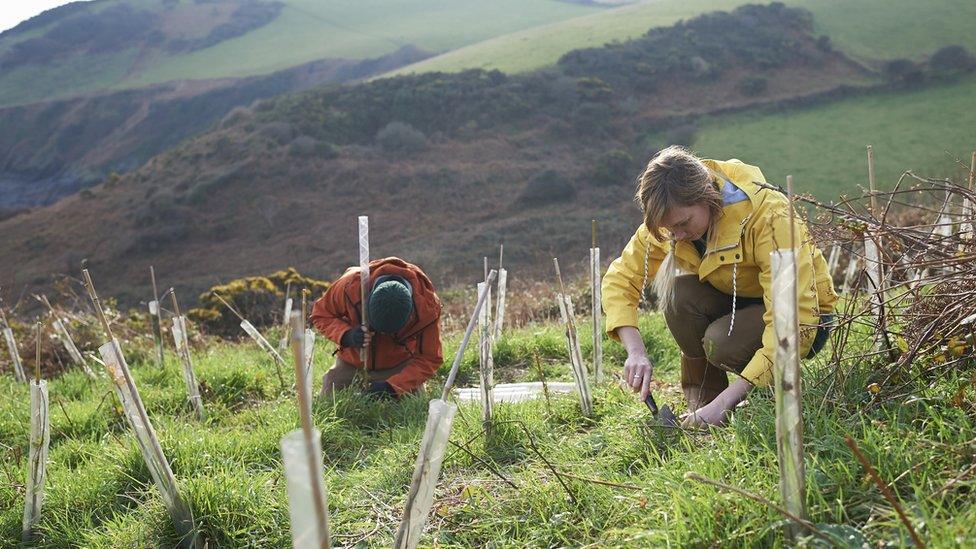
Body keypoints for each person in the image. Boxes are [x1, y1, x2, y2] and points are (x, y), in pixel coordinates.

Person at [602, 146, 838, 427]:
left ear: (707, 197)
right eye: (669, 229)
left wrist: (728, 401)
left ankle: (745, 400)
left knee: (720, 342)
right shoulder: (671, 223)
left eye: (683, 223)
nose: (676, 236)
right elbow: (620, 278)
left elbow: (795, 325)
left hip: (806, 319)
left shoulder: (770, 217)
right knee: (680, 296)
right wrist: (636, 352)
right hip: (742, 299)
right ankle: (703, 406)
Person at [310, 257, 442, 399]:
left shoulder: (427, 308)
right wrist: (347, 335)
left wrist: (393, 387)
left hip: (398, 367)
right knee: (328, 397)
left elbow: (430, 358)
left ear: (410, 315)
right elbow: (321, 314)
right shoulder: (349, 286)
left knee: (415, 404)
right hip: (352, 364)